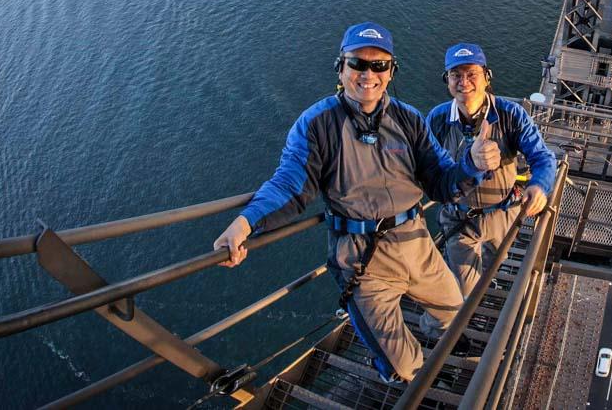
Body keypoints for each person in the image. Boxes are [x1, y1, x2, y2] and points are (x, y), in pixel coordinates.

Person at [213, 22, 501, 384]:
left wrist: (471, 165)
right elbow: (290, 184)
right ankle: (420, 385)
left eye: (379, 65)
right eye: (358, 64)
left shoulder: (409, 119)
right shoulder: (317, 124)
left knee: (455, 314)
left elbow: (442, 182)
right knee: (402, 368)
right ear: (341, 68)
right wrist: (245, 223)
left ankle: (452, 362)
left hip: (418, 245)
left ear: (391, 71)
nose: (369, 74)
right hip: (364, 264)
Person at [427, 43, 557, 301]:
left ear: (487, 77)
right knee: (462, 290)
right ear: (447, 81)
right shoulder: (437, 119)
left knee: (496, 261)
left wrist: (539, 185)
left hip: (502, 212)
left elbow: (542, 157)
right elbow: (426, 166)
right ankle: (437, 330)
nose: (464, 82)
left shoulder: (511, 115)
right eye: (456, 75)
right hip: (458, 217)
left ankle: (485, 282)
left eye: (471, 74)